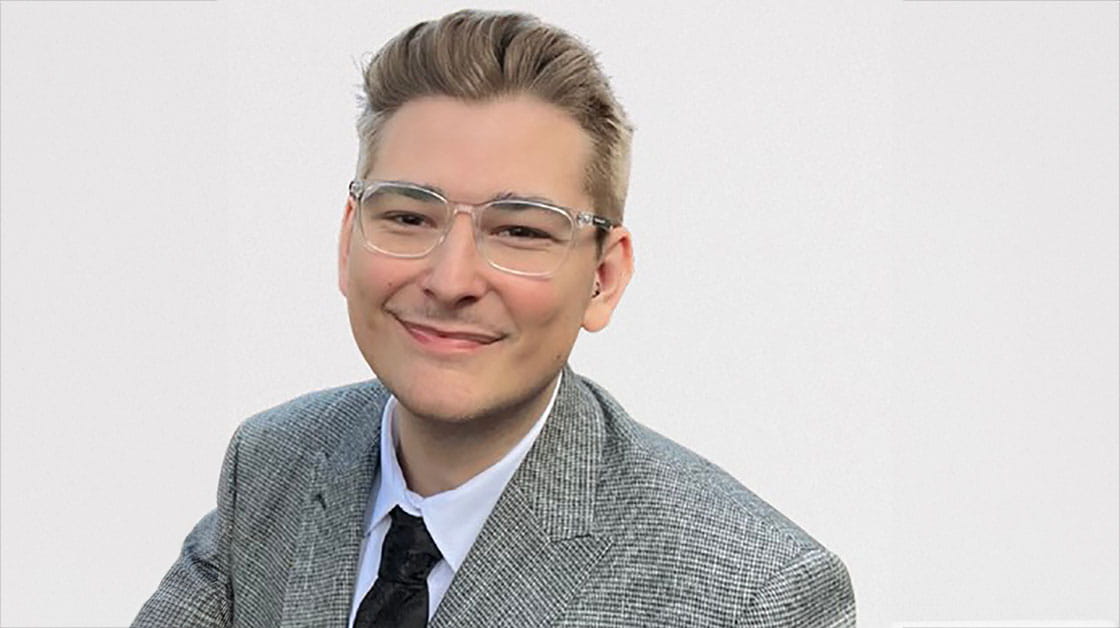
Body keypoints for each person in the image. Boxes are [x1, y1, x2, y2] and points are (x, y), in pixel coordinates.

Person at [134, 9, 855, 628]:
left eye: (521, 231)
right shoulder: (271, 465)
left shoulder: (753, 595)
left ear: (603, 278)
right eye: (410, 216)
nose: (451, 280)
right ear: (347, 240)